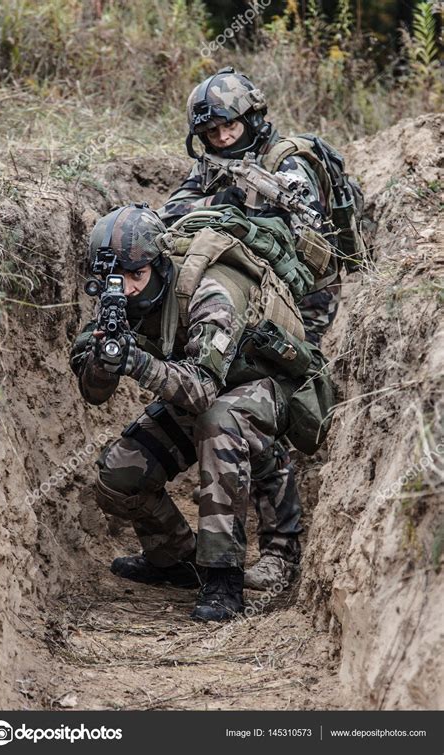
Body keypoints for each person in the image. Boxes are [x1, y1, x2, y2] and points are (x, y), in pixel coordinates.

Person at [70, 204, 333, 622]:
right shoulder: (115, 299)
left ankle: (224, 576)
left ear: (158, 265)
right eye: (113, 280)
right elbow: (94, 392)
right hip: (201, 390)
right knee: (119, 475)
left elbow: (202, 391)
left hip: (266, 387)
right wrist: (103, 362)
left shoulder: (211, 291)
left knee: (219, 422)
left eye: (136, 276)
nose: (127, 290)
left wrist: (138, 363)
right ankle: (176, 562)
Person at [157, 67, 363, 589]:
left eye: (230, 128)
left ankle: (281, 550)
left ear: (252, 117)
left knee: (266, 415)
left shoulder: (284, 163)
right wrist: (223, 203)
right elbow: (171, 216)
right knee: (223, 400)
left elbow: (305, 239)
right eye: (212, 133)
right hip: (243, 302)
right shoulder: (214, 166)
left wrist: (245, 212)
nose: (223, 139)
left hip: (299, 309)